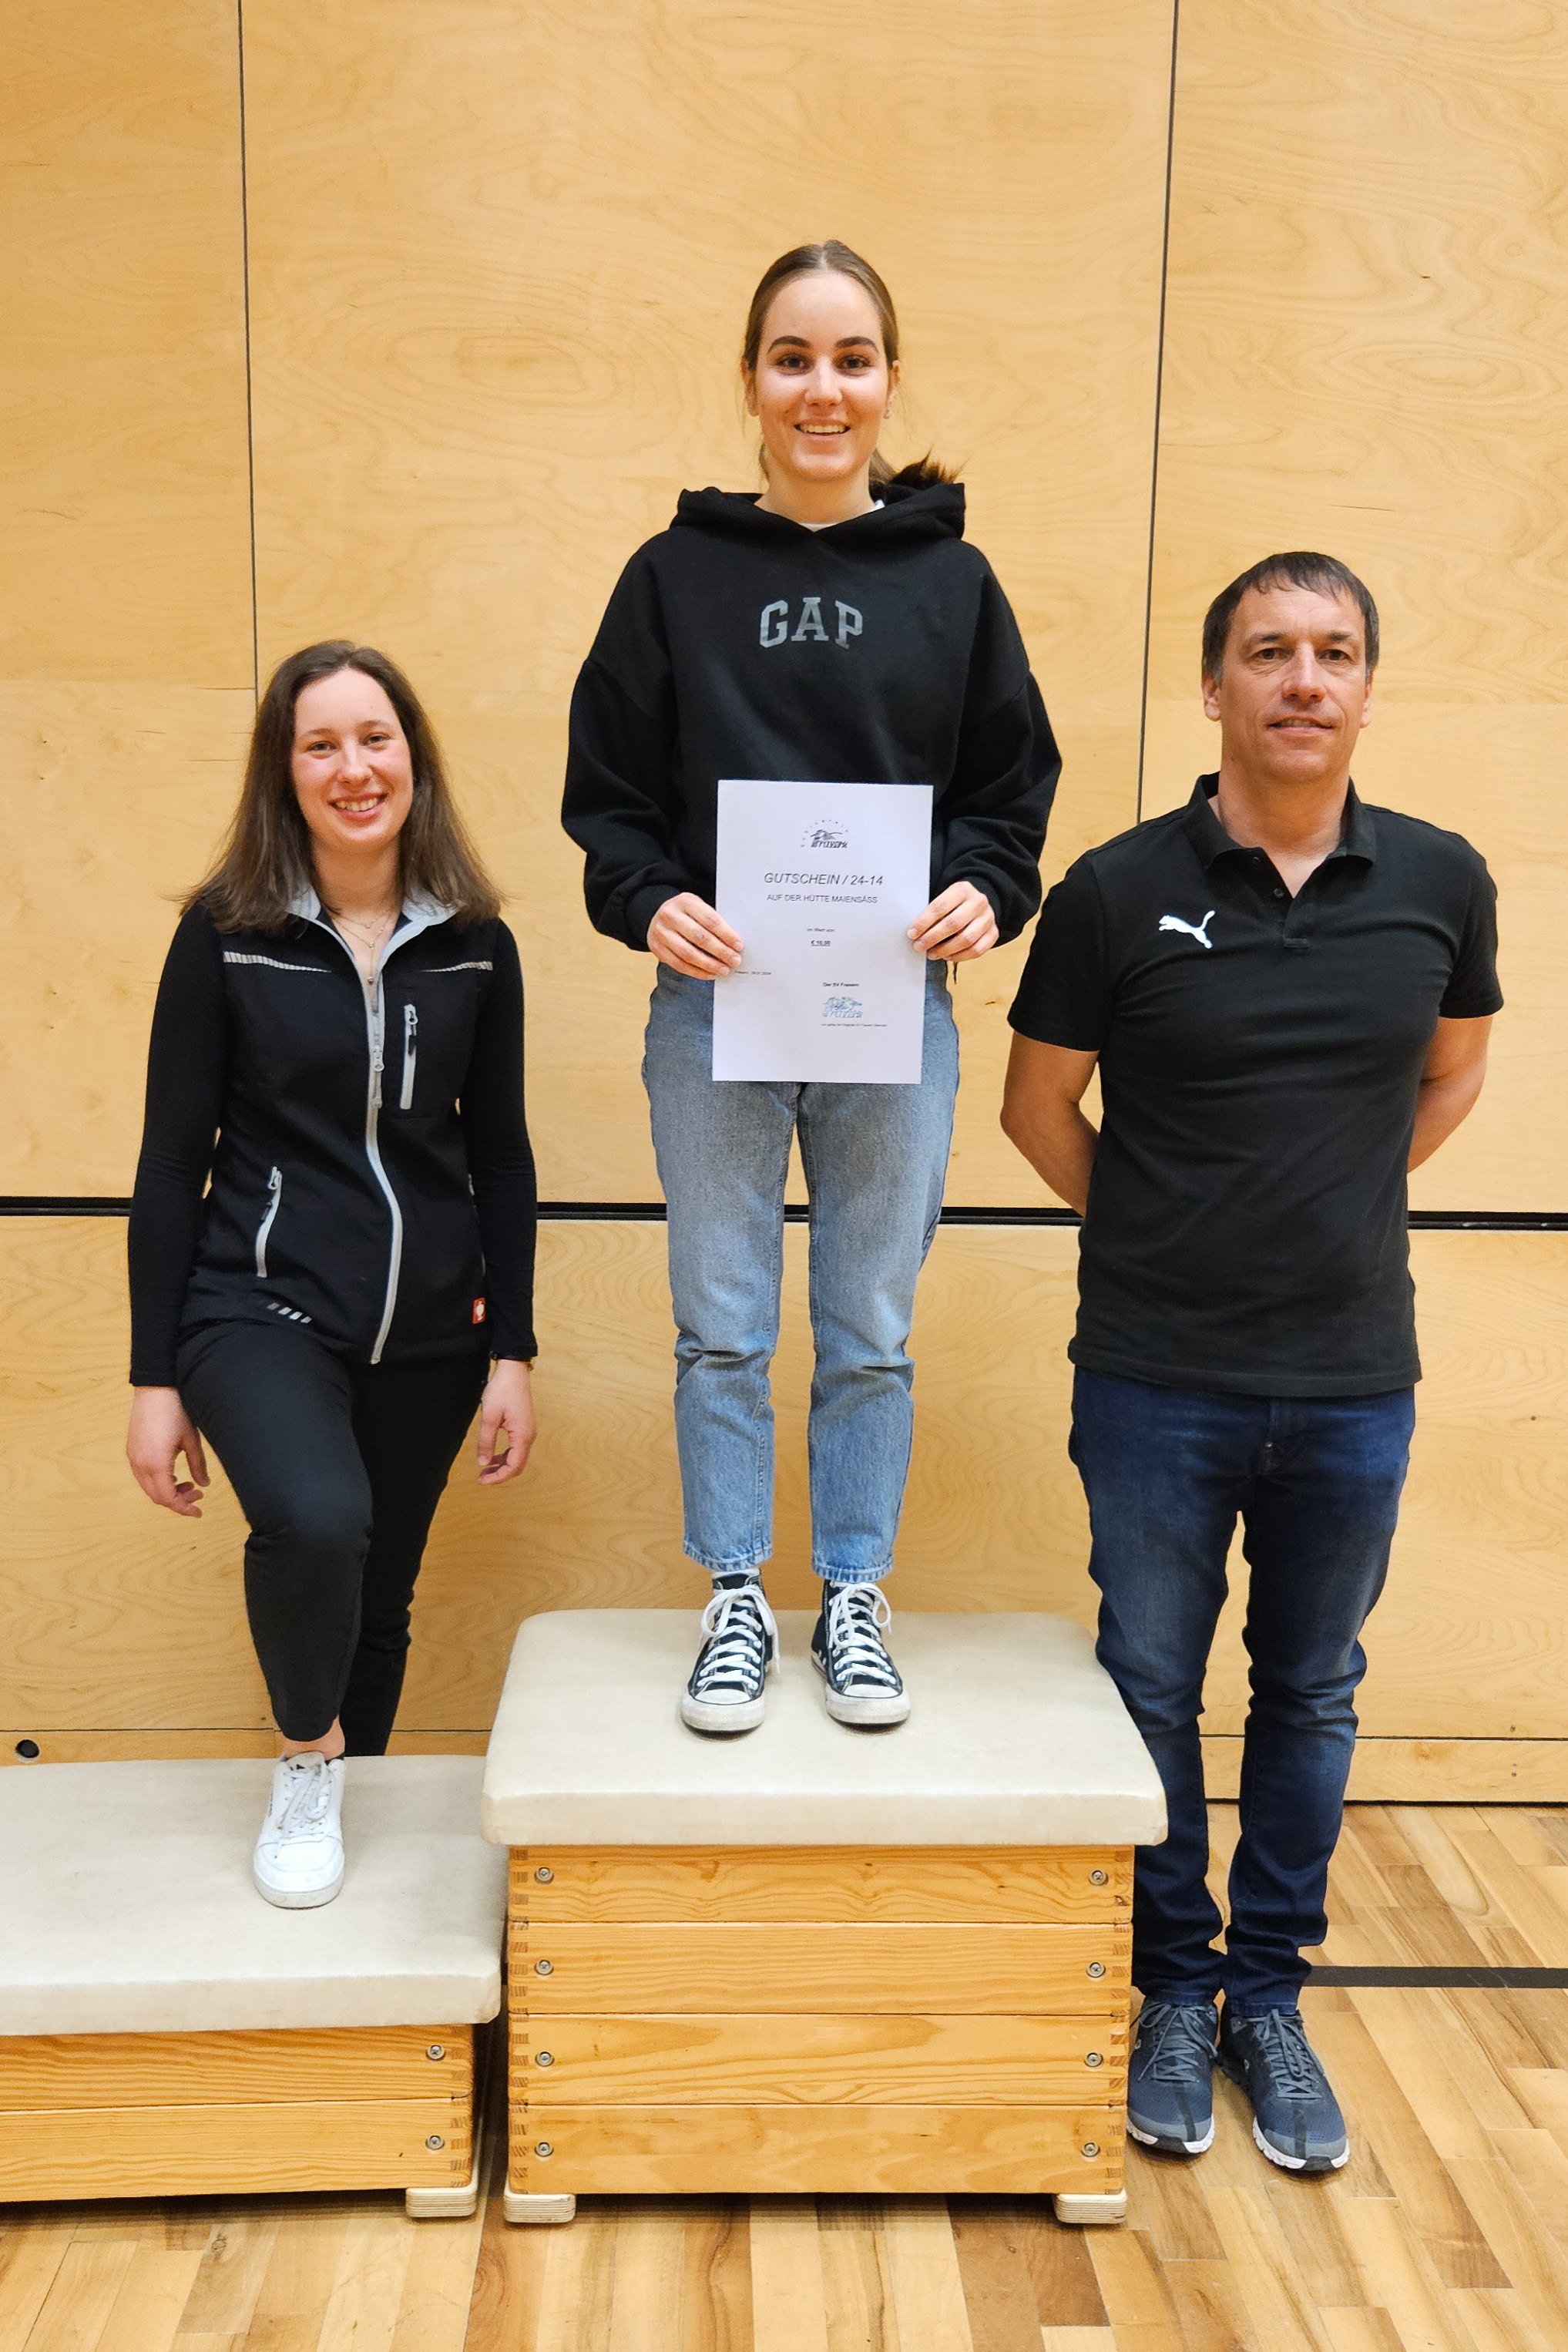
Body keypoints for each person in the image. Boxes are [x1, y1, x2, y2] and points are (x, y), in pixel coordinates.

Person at [1001, 553, 1499, 2172]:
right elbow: (1034, 1106)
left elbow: (1452, 1074)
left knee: (1312, 1690)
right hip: (1155, 1373)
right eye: (1269, 650)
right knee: (1148, 1685)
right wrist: (1166, 1225)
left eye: (1334, 651)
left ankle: (1266, 1997)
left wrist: (1331, 1202)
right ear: (1213, 684)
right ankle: (1170, 1986)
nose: (1303, 679)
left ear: (1366, 688)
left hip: (1354, 1379)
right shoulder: (1110, 887)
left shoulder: (1442, 880)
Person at [563, 240, 1058, 1734]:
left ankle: (850, 1592)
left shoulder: (955, 584)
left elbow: (1008, 790)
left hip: (887, 1007)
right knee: (720, 1324)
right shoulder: (672, 577)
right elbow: (608, 799)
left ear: (890, 381)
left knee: (869, 1331)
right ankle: (733, 1593)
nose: (822, 389)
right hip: (716, 1004)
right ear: (750, 381)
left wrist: (987, 886)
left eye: (851, 359)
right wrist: (651, 900)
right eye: (793, 358)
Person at [126, 642, 537, 1908]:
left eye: (375, 738)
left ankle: (344, 1780)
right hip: (256, 1306)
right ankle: (307, 1763)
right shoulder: (226, 937)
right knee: (315, 1521)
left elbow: (500, 1154)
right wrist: (153, 1379)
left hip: (430, 1327)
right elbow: (171, 1160)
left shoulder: (474, 942)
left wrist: (513, 1349)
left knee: (380, 1587)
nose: (354, 769)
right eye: (321, 745)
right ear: (284, 771)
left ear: (413, 757)